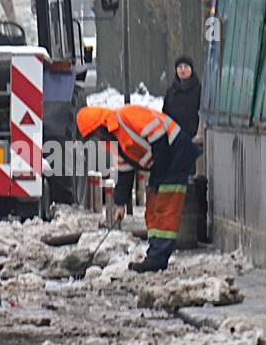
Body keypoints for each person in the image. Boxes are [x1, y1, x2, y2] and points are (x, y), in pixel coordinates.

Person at [77, 104, 199, 273]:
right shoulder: (117, 141)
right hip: (163, 162)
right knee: (153, 209)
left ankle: (158, 257)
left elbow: (159, 136)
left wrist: (160, 173)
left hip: (175, 153)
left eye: (94, 135)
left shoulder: (127, 117)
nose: (96, 139)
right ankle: (155, 254)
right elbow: (125, 172)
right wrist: (120, 203)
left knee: (165, 207)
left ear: (100, 126)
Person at [162, 55, 201, 139]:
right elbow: (165, 115)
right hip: (174, 137)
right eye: (180, 67)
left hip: (194, 139)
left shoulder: (199, 91)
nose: (183, 70)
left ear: (191, 69)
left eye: (186, 67)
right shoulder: (170, 92)